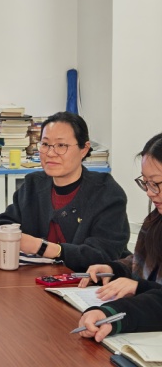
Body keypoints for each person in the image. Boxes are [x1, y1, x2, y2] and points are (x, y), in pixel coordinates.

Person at [0, 111, 130, 272]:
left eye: (61, 145)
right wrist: (7, 234)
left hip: (91, 283)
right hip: (39, 279)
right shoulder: (34, 185)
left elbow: (104, 255)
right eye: (45, 144)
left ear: (84, 149)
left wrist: (43, 248)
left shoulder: (106, 192)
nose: (50, 153)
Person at [76, 133, 162, 341]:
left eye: (156, 183)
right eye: (146, 182)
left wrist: (113, 311)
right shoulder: (156, 220)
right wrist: (114, 269)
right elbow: (145, 263)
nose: (150, 192)